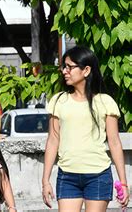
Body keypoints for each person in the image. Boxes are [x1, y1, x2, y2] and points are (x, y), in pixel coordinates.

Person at [42, 46, 129, 211]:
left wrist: (123, 183)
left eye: (70, 67)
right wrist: (45, 180)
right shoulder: (58, 101)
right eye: (64, 67)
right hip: (67, 176)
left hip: (98, 176)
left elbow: (115, 142)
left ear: (86, 70)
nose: (65, 71)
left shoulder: (105, 102)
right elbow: (53, 140)